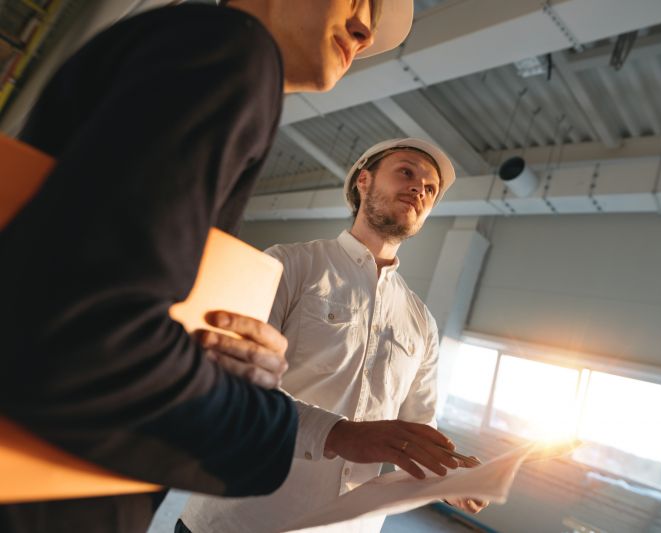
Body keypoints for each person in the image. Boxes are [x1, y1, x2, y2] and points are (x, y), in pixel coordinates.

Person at [0, 1, 413, 532]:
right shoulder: (231, 53)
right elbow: (82, 338)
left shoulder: (195, 47)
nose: (364, 28)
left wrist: (217, 363)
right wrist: (265, 421)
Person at [179, 138, 488, 533]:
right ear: (364, 181)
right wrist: (339, 434)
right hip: (241, 518)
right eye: (407, 172)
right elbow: (231, 386)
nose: (419, 189)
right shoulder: (289, 265)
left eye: (430, 189)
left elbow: (417, 428)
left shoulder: (421, 322)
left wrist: (448, 475)